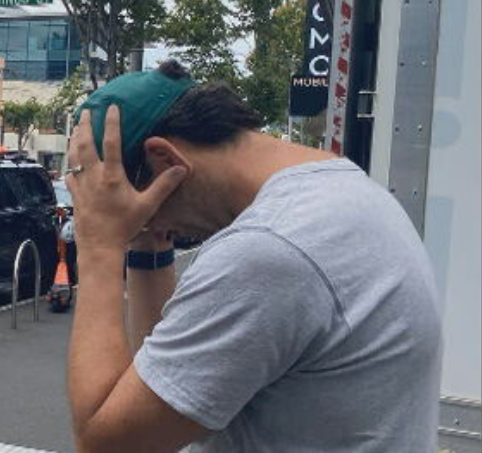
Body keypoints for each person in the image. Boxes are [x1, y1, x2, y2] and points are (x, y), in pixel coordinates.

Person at [63, 60, 440, 452]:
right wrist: (147, 245)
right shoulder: (342, 189)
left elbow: (106, 443)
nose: (143, 222)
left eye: (142, 209)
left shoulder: (268, 250)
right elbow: (157, 384)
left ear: (166, 161)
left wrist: (100, 247)